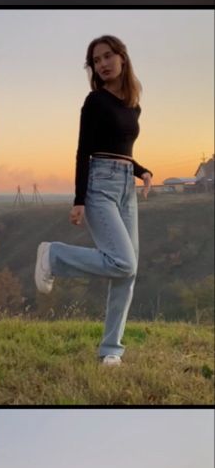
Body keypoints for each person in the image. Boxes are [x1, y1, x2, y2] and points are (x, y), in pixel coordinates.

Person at [35, 36, 153, 365]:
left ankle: (111, 350)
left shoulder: (133, 104)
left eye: (106, 57)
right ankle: (54, 255)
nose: (101, 64)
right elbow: (84, 150)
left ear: (122, 58)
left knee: (126, 273)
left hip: (126, 186)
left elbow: (122, 147)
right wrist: (79, 199)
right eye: (95, 60)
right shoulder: (95, 101)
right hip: (99, 184)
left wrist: (142, 171)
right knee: (123, 262)